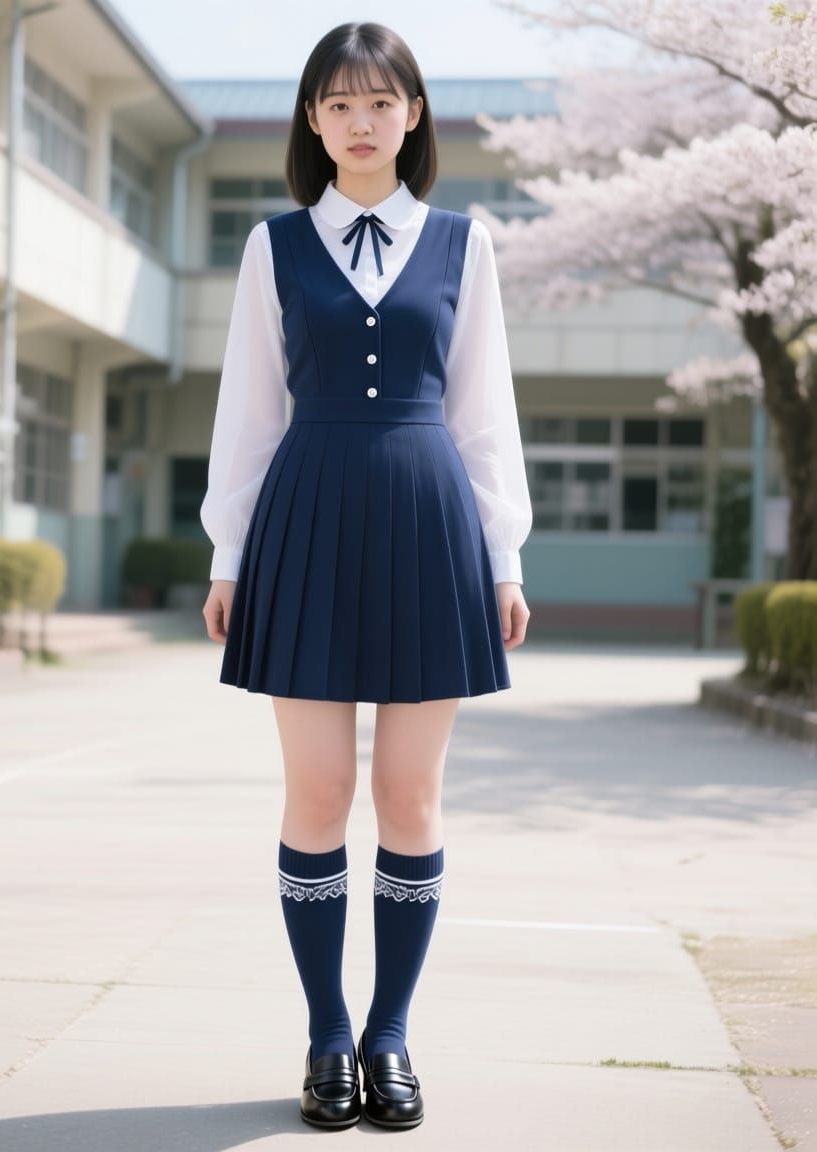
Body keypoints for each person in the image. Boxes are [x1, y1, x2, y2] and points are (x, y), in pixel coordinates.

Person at [200, 21, 532, 1132]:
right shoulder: (273, 246)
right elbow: (248, 413)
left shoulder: (462, 244)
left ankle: (390, 1034)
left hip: (431, 522)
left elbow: (486, 415)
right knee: (316, 795)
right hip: (304, 516)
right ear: (310, 119)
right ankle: (326, 1036)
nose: (358, 122)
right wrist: (229, 555)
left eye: (377, 102)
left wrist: (503, 558)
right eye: (336, 104)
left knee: (407, 797)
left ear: (412, 114)